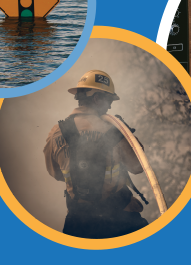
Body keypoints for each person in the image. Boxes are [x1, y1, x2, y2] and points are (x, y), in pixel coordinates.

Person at [44, 70, 149, 238]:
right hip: (120, 221)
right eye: (108, 100)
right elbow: (138, 167)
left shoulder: (56, 133)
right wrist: (127, 135)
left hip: (77, 225)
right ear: (97, 98)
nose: (110, 106)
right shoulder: (115, 132)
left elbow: (55, 173)